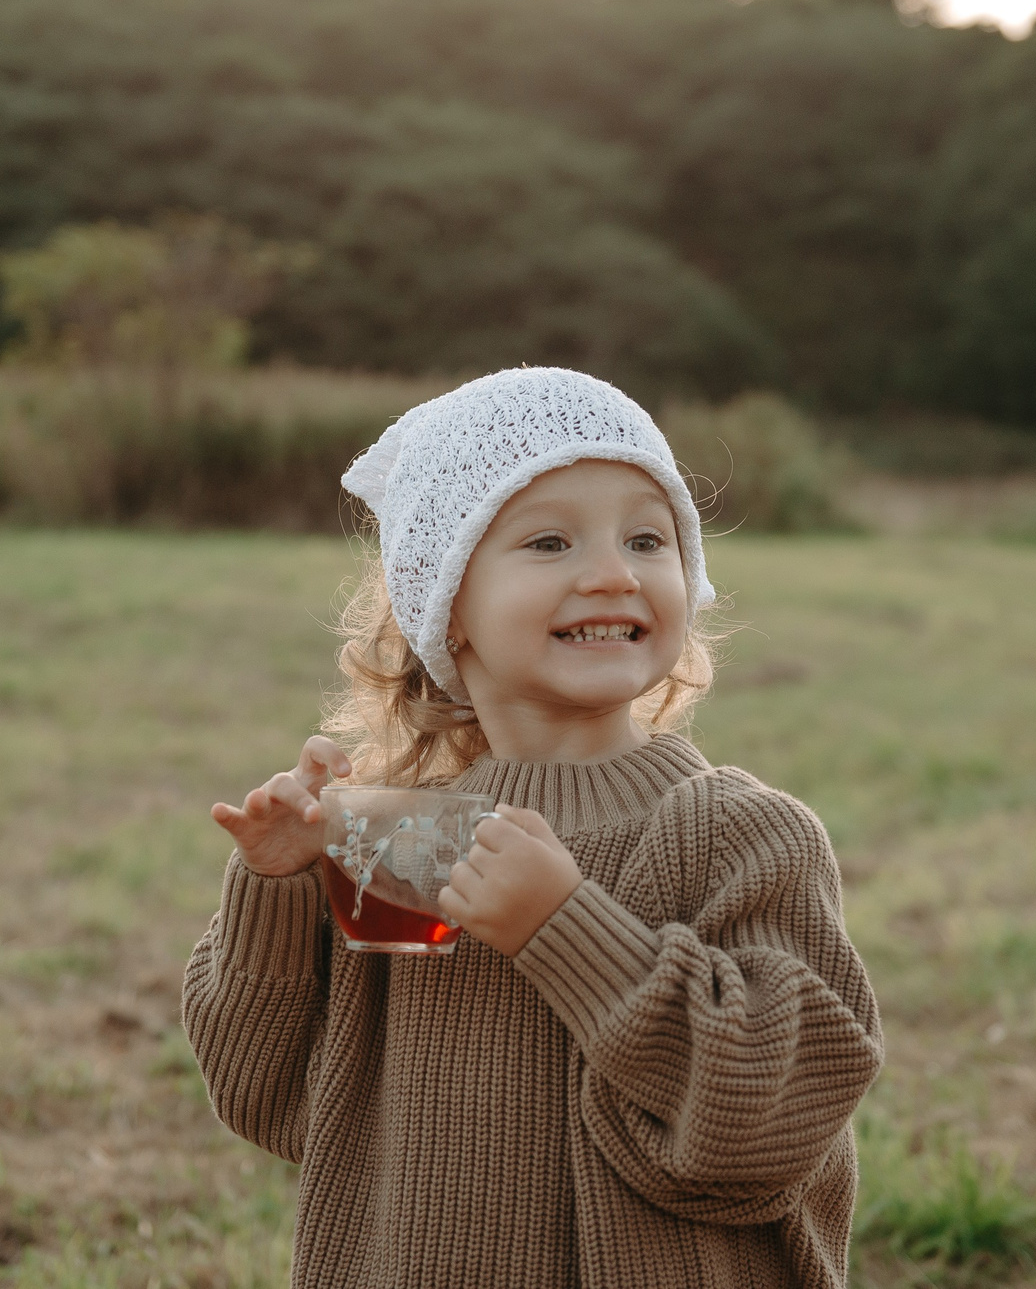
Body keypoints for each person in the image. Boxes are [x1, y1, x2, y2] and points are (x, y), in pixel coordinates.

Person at [183, 367, 883, 1288]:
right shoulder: (397, 843)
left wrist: (568, 927)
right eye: (549, 541)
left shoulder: (742, 834)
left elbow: (780, 1111)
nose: (612, 572)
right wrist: (276, 889)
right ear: (448, 609)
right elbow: (273, 1096)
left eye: (648, 536)